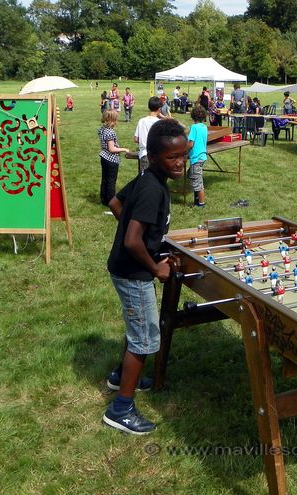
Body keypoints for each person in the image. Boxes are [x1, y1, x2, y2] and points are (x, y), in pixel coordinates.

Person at [103, 118, 186, 435]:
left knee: (136, 326)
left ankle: (119, 376)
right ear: (152, 157)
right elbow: (132, 241)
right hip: (134, 272)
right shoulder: (152, 189)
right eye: (171, 158)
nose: (179, 163)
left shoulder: (147, 179)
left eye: (182, 155)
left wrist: (146, 238)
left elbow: (115, 202)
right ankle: (120, 409)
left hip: (128, 267)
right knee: (144, 339)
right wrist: (156, 268)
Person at [98, 110, 129, 206]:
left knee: (105, 179)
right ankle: (111, 202)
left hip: (103, 157)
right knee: (111, 181)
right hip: (111, 159)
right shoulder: (110, 132)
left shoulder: (102, 129)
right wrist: (124, 149)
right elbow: (111, 149)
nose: (117, 121)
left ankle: (104, 199)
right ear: (112, 120)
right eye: (116, 119)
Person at [188, 105, 208, 208]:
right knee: (191, 175)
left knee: (198, 182)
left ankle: (201, 203)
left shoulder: (194, 127)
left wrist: (184, 151)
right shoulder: (204, 127)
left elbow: (190, 143)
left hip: (196, 157)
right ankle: (196, 201)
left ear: (193, 116)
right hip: (202, 156)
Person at [134, 96, 161, 173]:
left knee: (144, 180)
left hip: (144, 154)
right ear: (159, 109)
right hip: (156, 155)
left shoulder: (141, 121)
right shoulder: (159, 123)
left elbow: (136, 139)